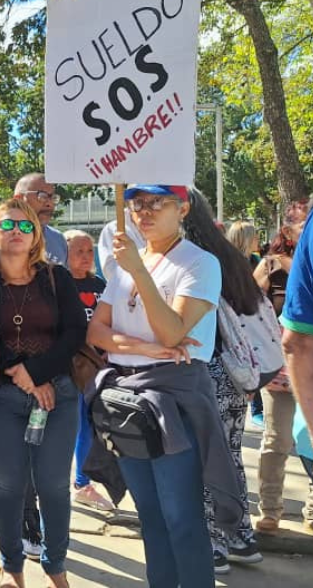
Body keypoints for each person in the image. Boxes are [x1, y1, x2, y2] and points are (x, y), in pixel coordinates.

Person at [87, 184, 237, 587]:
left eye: (158, 203)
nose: (145, 212)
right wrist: (141, 347)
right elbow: (96, 333)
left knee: (181, 517)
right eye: (137, 204)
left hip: (173, 399)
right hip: (126, 398)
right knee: (150, 517)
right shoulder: (123, 265)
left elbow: (172, 333)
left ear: (183, 209)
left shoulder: (199, 263)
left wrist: (137, 271)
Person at [0, 201, 85, 588]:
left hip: (59, 397)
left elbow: (73, 334)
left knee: (52, 485)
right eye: (7, 224)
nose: (16, 230)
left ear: (35, 234)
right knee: (7, 485)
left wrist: (38, 373)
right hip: (1, 397)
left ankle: (55, 566)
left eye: (25, 224)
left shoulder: (57, 278)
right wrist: (23, 374)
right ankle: (11, 566)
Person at [181, 188, 264, 574]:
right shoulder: (231, 256)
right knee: (230, 455)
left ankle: (213, 542)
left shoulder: (192, 259)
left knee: (202, 459)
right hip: (238, 371)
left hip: (206, 368)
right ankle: (240, 537)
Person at [256, 196, 313, 533]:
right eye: (295, 220)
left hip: (302, 357)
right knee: (276, 440)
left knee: (308, 440)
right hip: (280, 364)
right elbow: (245, 304)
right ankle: (270, 509)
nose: (300, 224)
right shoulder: (270, 265)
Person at [63, 230, 115, 513]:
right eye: (78, 251)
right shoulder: (58, 282)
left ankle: (83, 483)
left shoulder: (100, 284)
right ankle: (77, 483)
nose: (86, 256)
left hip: (98, 367)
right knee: (72, 425)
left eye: (88, 250)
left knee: (90, 425)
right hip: (68, 367)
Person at [0, 173, 68, 280]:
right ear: (19, 198)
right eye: (42, 196)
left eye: (53, 197)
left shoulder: (58, 240)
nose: (49, 203)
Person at [226, 220, 265, 426]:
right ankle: (253, 405)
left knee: (255, 361)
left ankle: (256, 405)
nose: (259, 240)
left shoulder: (257, 259)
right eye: (255, 236)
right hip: (234, 322)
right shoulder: (227, 262)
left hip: (253, 319)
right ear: (246, 239)